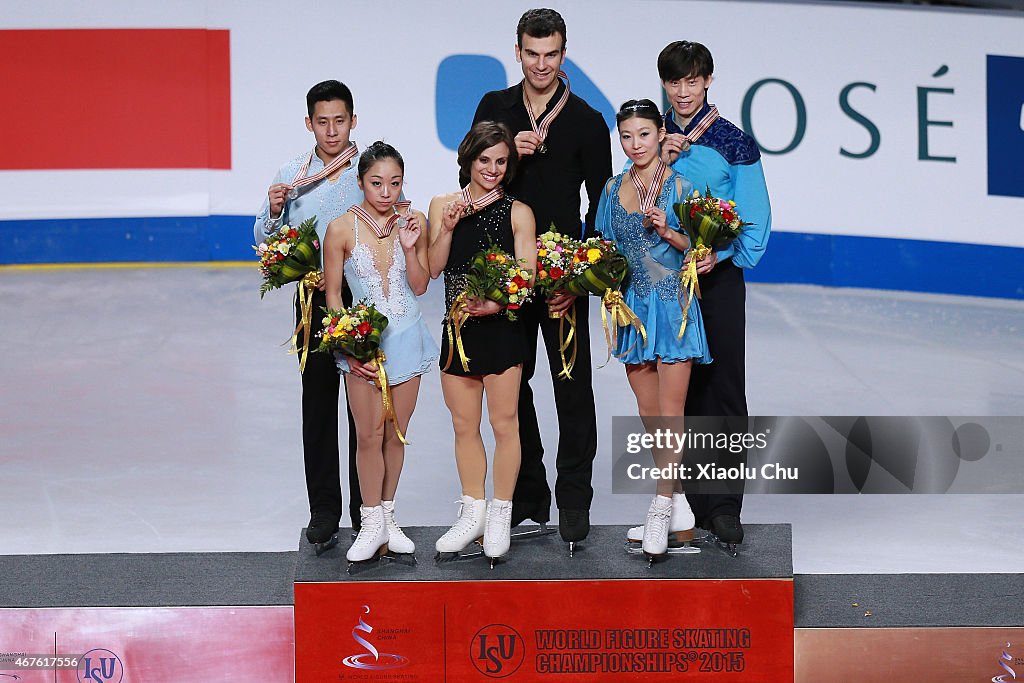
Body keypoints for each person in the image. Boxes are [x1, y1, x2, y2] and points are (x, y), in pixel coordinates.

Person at [468, 8, 612, 549]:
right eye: (533, 53)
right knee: (511, 387)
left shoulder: (586, 120)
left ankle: (574, 499)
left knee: (573, 389)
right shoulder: (494, 108)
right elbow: (472, 174)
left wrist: (581, 276)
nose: (542, 64)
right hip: (504, 273)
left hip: (560, 278)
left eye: (552, 54)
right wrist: (512, 152)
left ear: (564, 53)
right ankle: (527, 495)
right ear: (518, 51)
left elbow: (601, 206)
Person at [658, 41, 772, 548]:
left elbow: (754, 217)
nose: (683, 92)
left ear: (708, 81)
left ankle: (723, 504)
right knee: (678, 393)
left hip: (717, 279)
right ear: (664, 84)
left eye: (692, 81)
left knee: (723, 388)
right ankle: (681, 501)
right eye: (674, 82)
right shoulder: (651, 136)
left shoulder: (734, 143)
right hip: (664, 282)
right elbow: (633, 197)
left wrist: (718, 257)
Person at [596, 99, 711, 559]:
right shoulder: (611, 188)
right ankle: (678, 501)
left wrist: (669, 232)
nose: (635, 144)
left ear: (660, 134)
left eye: (644, 134)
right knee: (649, 414)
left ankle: (661, 508)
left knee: (671, 412)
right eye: (627, 136)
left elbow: (698, 247)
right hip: (632, 310)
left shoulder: (679, 185)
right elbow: (604, 243)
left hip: (673, 305)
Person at [253, 80, 363, 553]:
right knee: (317, 404)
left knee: (365, 407)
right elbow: (263, 237)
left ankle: (369, 509)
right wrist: (275, 211)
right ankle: (323, 511)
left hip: (362, 301)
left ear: (353, 120)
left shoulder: (368, 169)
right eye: (323, 122)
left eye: (340, 120)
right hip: (312, 304)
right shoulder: (291, 174)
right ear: (309, 123)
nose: (332, 130)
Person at [321, 142, 437, 563]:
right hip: (365, 346)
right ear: (360, 182)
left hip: (408, 337)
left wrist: (410, 247)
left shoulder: (414, 221)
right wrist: (351, 348)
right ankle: (370, 523)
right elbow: (333, 297)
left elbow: (421, 286)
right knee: (367, 435)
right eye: (376, 183)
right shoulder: (340, 229)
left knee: (395, 433)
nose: (386, 192)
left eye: (395, 183)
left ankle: (389, 518)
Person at [428, 121, 537, 565]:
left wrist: (497, 303)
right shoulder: (442, 205)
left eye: (500, 161)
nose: (492, 169)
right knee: (462, 425)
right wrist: (449, 227)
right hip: (457, 330)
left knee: (505, 423)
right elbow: (434, 268)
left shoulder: (518, 212)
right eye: (484, 160)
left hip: (502, 328)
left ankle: (499, 513)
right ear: (468, 160)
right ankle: (472, 511)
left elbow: (526, 276)